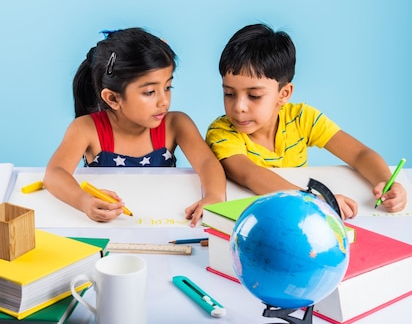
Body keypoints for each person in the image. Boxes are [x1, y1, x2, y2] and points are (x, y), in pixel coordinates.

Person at [206, 23, 407, 219]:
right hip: (261, 219)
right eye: (229, 93)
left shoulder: (302, 118)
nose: (239, 106)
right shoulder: (221, 132)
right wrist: (313, 200)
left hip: (298, 219)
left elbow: (359, 154)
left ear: (284, 94)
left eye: (255, 95)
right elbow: (250, 174)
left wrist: (387, 181)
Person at [44, 27, 226, 224]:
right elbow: (55, 174)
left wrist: (214, 197)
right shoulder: (86, 129)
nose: (163, 101)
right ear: (113, 98)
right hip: (106, 227)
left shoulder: (176, 124)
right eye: (149, 92)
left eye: (167, 87)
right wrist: (84, 201)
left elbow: (208, 163)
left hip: (160, 221)